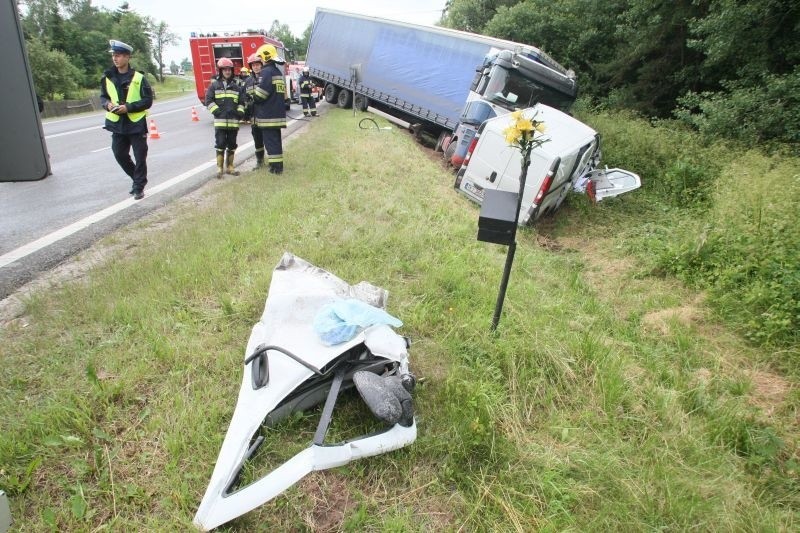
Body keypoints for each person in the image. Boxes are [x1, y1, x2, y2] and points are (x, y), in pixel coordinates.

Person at [100, 39, 154, 200]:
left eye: (118, 56)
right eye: (113, 56)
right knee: (119, 154)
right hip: (117, 125)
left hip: (136, 124)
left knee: (140, 156)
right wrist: (108, 105)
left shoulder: (138, 78)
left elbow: (147, 101)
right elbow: (103, 97)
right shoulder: (107, 77)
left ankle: (138, 187)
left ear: (127, 57)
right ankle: (137, 179)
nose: (115, 59)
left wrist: (128, 107)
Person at [205, 57, 245, 178]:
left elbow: (242, 102)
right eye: (225, 69)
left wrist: (240, 113)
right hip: (220, 122)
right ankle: (219, 168)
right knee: (220, 144)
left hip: (233, 123)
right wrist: (216, 111)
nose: (227, 72)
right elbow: (208, 100)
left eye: (229, 69)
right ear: (220, 71)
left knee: (232, 144)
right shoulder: (214, 86)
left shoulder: (236, 87)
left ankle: (230, 167)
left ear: (232, 71)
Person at [252, 44, 287, 174]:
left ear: (266, 57)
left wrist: (253, 97)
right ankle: (277, 166)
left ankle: (275, 169)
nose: (260, 60)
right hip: (277, 114)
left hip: (268, 116)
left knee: (271, 143)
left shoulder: (266, 72)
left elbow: (261, 94)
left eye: (261, 57)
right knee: (276, 142)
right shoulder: (277, 72)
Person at [244, 53, 264, 167]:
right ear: (251, 67)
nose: (256, 67)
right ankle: (260, 161)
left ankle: (272, 161)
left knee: (268, 139)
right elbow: (244, 97)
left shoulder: (266, 78)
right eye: (253, 65)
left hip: (265, 116)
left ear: (261, 65)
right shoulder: (248, 81)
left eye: (257, 64)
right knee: (257, 140)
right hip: (254, 117)